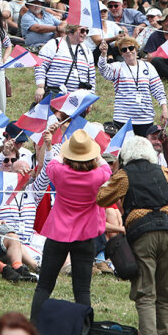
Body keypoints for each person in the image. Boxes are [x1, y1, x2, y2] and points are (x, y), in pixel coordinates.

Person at [96, 135, 168, 335]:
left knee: (145, 290)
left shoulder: (124, 175)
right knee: (165, 289)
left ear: (126, 155)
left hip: (144, 233)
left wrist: (115, 171)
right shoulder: (163, 172)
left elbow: (102, 197)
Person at [30, 129, 111, 323]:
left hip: (58, 234)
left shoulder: (59, 172)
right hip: (85, 236)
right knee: (82, 290)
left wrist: (64, 149)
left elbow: (52, 162)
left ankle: (33, 326)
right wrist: (94, 153)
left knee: (44, 285)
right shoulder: (98, 176)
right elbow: (106, 166)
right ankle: (84, 331)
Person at [98, 37, 168, 136]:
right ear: (121, 53)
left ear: (136, 49)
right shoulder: (117, 67)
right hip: (122, 118)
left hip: (145, 119)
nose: (128, 51)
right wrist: (104, 54)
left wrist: (164, 109)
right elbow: (103, 70)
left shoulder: (149, 67)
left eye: (131, 48)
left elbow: (158, 89)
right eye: (124, 49)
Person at [34, 23, 95, 102]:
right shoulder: (54, 44)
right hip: (55, 94)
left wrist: (90, 97)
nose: (85, 34)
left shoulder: (87, 50)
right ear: (71, 30)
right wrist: (40, 87)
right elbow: (40, 65)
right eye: (82, 31)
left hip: (78, 98)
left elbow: (92, 76)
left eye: (87, 31)